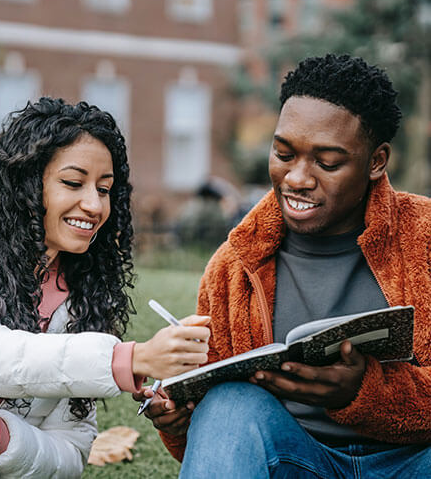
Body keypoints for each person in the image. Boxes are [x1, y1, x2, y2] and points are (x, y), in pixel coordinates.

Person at [136, 54, 431, 478]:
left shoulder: (423, 238)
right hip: (295, 459)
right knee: (226, 404)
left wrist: (366, 393)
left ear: (376, 161)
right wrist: (177, 417)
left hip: (413, 462)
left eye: (327, 162)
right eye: (283, 153)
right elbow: (223, 443)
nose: (297, 178)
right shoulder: (234, 266)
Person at [0, 97, 210, 479]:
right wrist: (127, 359)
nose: (93, 204)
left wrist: (2, 438)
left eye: (104, 189)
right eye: (73, 183)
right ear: (23, 183)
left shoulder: (84, 297)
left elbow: (71, 452)